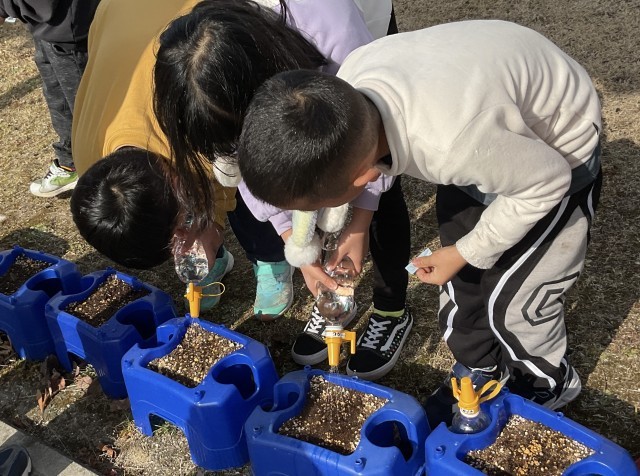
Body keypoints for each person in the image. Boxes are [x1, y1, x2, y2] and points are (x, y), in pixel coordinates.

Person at [236, 19, 602, 426]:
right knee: (462, 283)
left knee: (515, 300)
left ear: (365, 178)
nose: (319, 219)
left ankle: (543, 384)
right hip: (485, 129)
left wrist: (466, 250)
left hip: (555, 149)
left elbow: (548, 180)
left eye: (321, 208)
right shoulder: (343, 95)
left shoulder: (448, 145)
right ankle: (479, 368)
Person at [154, 0, 412, 379]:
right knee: (307, 185)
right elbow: (245, 165)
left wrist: (359, 223)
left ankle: (391, 308)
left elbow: (377, 135)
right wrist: (296, 243)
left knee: (376, 193)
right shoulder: (204, 59)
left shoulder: (328, 26)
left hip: (360, 58)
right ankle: (334, 293)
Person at [69, 0, 235, 311]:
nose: (181, 239)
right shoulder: (88, 161)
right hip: (115, 11)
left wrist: (212, 225)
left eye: (180, 225)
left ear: (177, 182)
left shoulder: (194, 122)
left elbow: (226, 174)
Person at [0, 0, 100, 198]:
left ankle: (100, 174)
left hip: (68, 25)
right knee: (57, 99)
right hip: (45, 25)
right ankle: (70, 164)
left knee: (86, 112)